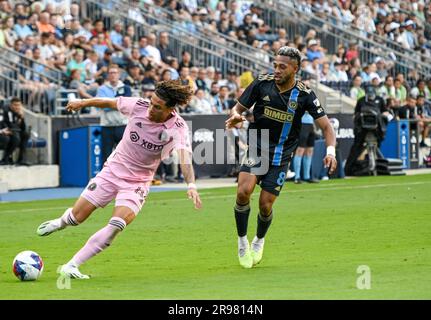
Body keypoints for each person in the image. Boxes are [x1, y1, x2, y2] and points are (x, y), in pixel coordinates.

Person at [36, 80, 202, 279]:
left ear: (170, 109)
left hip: (138, 183)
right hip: (112, 171)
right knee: (76, 218)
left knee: (117, 225)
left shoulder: (178, 127)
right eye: (151, 102)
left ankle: (71, 265)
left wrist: (191, 184)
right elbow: (108, 102)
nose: (150, 108)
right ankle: (62, 221)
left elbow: (184, 157)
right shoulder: (138, 106)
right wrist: (82, 102)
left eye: (157, 107)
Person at [225, 47, 337, 269]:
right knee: (242, 192)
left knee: (265, 205)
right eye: (275, 65)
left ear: (295, 69)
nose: (276, 70)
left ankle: (259, 239)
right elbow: (237, 109)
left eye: (282, 66)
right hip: (257, 147)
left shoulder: (305, 94)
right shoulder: (261, 83)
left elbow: (326, 127)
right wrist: (237, 117)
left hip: (282, 155)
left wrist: (330, 152)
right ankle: (241, 241)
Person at [0, 97, 29, 165]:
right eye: (15, 105)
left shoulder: (19, 112)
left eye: (18, 105)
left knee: (26, 134)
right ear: (11, 105)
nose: (17, 107)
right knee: (16, 138)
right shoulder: (7, 111)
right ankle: (5, 159)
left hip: (13, 130)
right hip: (5, 130)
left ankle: (21, 159)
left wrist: (21, 117)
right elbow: (9, 124)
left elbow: (23, 128)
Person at [293, 112, 319, 183]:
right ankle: (297, 177)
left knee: (309, 151)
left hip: (311, 124)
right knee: (300, 150)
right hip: (302, 124)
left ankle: (307, 177)